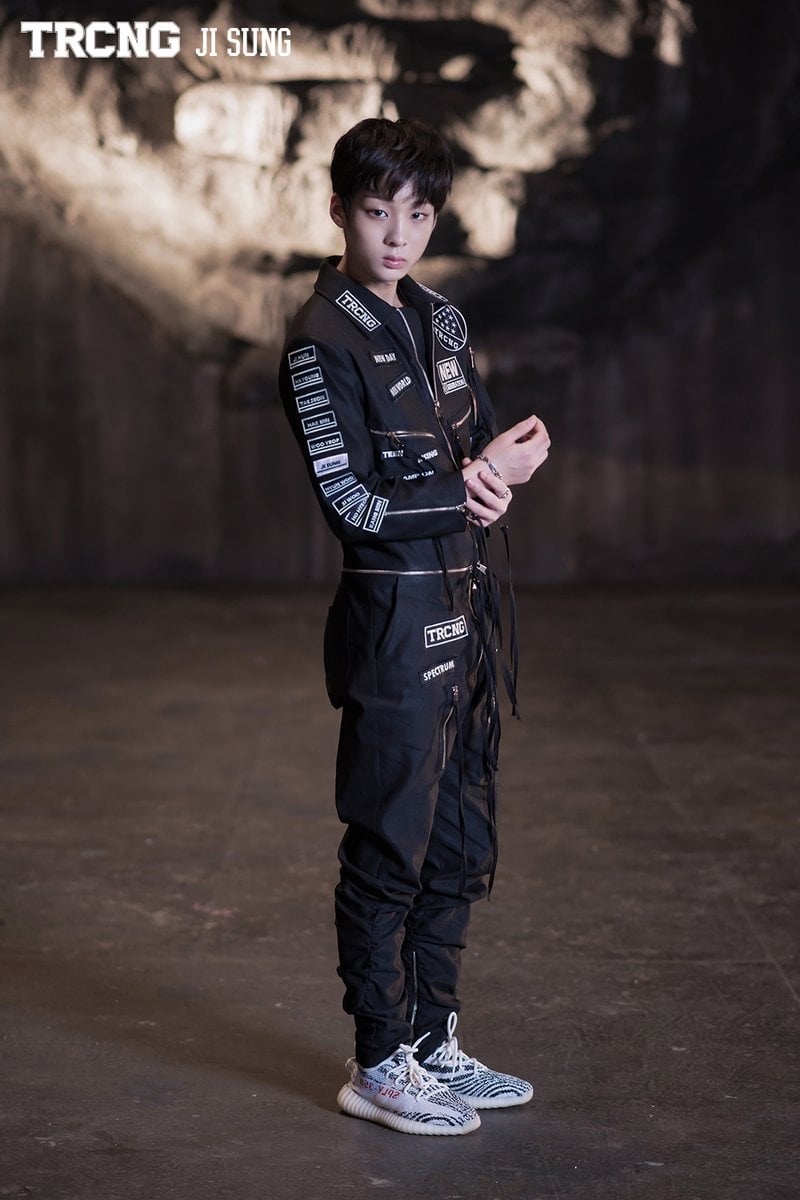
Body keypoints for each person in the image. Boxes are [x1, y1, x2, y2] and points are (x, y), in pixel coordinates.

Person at [279, 117, 550, 1136]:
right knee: (387, 846)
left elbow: (468, 456)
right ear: (338, 210)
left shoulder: (440, 320)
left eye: (419, 215)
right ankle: (377, 1061)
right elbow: (350, 502)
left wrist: (500, 467)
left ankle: (434, 1041)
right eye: (375, 211)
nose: (397, 236)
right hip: (392, 622)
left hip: (465, 614)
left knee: (458, 841)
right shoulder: (319, 339)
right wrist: (477, 482)